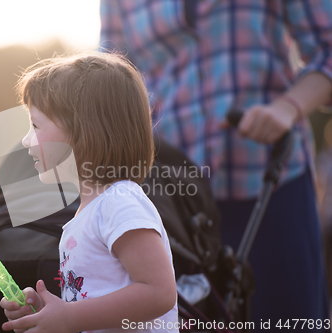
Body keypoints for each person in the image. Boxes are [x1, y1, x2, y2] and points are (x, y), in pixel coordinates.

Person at [99, 0, 331, 329]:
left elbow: (328, 47)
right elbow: (110, 81)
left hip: (269, 187)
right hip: (173, 205)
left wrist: (287, 107)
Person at [0, 53, 178, 332]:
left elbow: (159, 292)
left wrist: (71, 318)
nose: (26, 139)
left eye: (35, 126)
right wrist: (49, 312)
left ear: (83, 131)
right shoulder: (89, 212)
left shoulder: (120, 203)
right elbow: (97, 299)